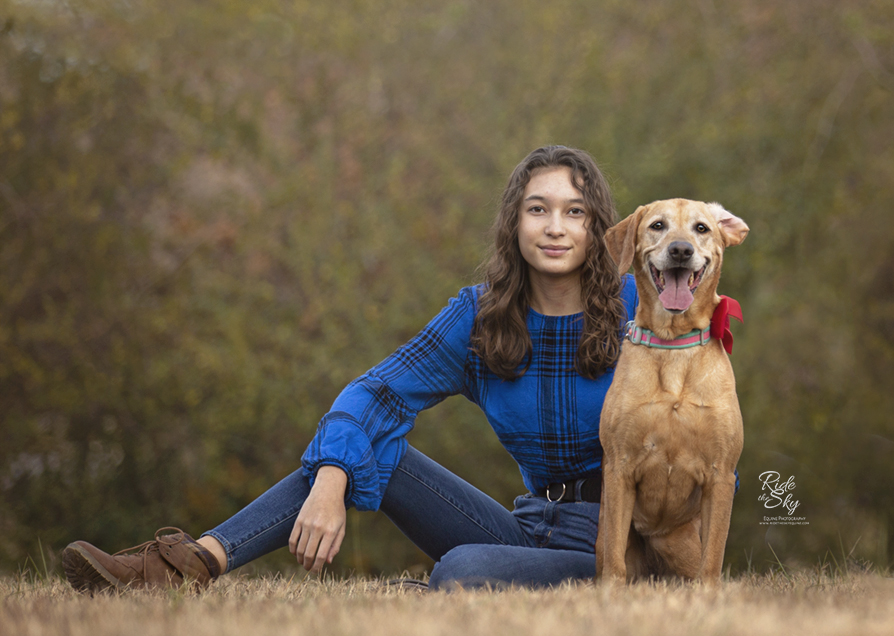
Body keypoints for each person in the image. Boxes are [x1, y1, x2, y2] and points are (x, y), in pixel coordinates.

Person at [62, 145, 638, 592]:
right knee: (375, 448)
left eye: (575, 212)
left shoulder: (643, 310)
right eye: (538, 209)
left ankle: (452, 586)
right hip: (528, 527)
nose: (556, 227)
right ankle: (193, 563)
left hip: (616, 544)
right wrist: (333, 477)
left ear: (598, 227)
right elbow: (375, 393)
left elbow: (704, 430)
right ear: (515, 222)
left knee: (462, 569)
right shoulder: (480, 317)